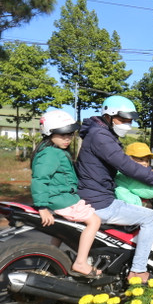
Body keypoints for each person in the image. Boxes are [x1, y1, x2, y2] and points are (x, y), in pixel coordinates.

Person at [76, 95, 153, 283]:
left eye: (130, 120)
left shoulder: (99, 133)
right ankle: (138, 271)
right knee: (151, 217)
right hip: (99, 201)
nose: (127, 124)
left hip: (93, 195)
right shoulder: (101, 136)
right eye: (122, 119)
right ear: (109, 116)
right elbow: (126, 165)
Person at [31, 110, 102, 278]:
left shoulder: (52, 150)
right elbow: (39, 179)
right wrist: (42, 207)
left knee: (60, 233)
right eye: (63, 135)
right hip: (60, 199)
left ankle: (47, 262)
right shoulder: (51, 153)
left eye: (70, 135)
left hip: (60, 197)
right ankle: (81, 262)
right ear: (49, 133)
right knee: (94, 221)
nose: (67, 139)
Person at [114, 142, 153, 206]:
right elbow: (151, 192)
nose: (145, 163)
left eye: (147, 161)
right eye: (141, 159)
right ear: (129, 158)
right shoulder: (125, 177)